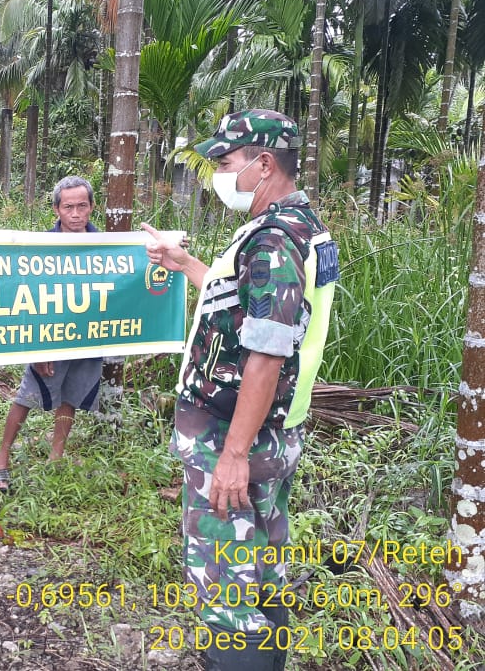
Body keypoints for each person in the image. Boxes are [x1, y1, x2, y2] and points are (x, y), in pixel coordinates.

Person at [142, 110, 338, 670]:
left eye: (227, 164)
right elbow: (248, 307)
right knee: (262, 574)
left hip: (238, 438)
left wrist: (231, 456)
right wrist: (187, 265)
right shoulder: (300, 227)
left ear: (264, 164)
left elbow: (266, 356)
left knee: (227, 595)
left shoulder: (275, 241)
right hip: (273, 433)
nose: (220, 176)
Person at [0, 175, 104, 493]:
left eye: (82, 206)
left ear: (92, 207)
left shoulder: (108, 247)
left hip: (88, 339)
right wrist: (36, 348)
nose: (76, 214)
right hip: (49, 340)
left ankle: (56, 459)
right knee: (26, 395)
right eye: (69, 207)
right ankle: (1, 459)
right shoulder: (40, 248)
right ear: (57, 209)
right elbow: (26, 299)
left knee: (72, 398)